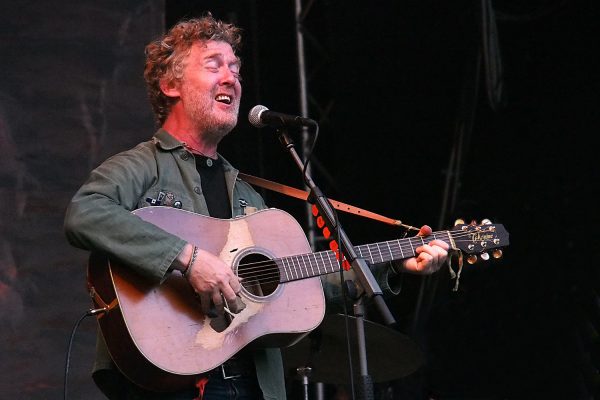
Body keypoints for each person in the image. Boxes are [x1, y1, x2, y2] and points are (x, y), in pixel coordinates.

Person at [64, 14, 449, 400]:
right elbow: (85, 213)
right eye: (214, 65)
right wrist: (189, 258)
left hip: (255, 384)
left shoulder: (248, 195)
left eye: (236, 68)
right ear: (170, 85)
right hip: (173, 380)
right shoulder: (142, 165)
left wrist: (395, 262)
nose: (231, 77)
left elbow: (303, 286)